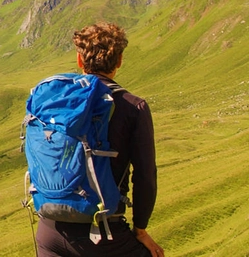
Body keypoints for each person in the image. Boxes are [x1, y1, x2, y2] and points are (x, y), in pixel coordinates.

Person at [35, 22, 165, 257]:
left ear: (79, 60)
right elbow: (145, 176)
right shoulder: (133, 107)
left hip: (49, 229)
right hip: (103, 233)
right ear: (119, 61)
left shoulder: (52, 100)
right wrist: (141, 230)